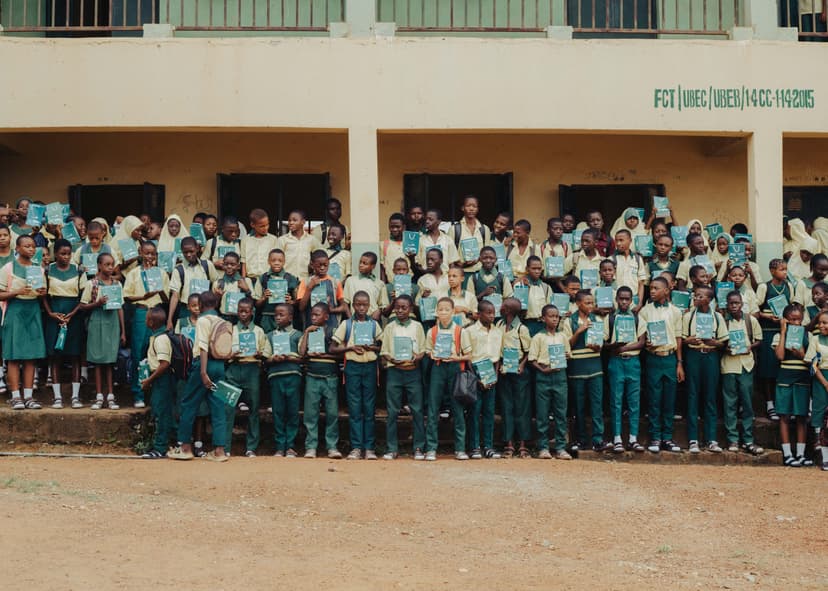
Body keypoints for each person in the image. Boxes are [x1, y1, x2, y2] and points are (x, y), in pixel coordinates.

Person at [169, 290, 230, 462]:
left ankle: (185, 447)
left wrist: (203, 372)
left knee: (189, 403)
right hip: (219, 365)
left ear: (201, 305)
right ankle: (219, 451)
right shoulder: (222, 321)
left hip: (204, 364)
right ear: (217, 304)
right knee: (218, 406)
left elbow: (202, 347)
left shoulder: (203, 320)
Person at [331, 291, 383, 460]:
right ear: (353, 305)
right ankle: (356, 447)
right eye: (358, 304)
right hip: (352, 367)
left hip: (369, 367)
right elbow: (333, 348)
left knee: (369, 408)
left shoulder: (374, 325)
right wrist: (350, 348)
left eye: (365, 305)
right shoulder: (347, 324)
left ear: (369, 306)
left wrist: (371, 347)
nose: (361, 308)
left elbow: (381, 347)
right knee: (354, 409)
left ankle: (369, 448)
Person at [0, 235, 47, 410]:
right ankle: (15, 396)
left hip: (33, 310)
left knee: (31, 356)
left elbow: (42, 293)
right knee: (14, 355)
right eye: (26, 246)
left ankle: (28, 396)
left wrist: (42, 292)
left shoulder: (39, 268)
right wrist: (17, 291)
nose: (31, 249)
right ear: (17, 249)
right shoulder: (8, 268)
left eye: (33, 246)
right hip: (15, 310)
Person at [638, 276, 684, 453]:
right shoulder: (645, 311)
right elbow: (641, 336)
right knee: (654, 400)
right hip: (653, 358)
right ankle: (655, 437)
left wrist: (679, 363)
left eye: (657, 288)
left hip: (670, 357)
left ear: (667, 290)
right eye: (651, 288)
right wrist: (647, 343)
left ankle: (667, 437)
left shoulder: (675, 311)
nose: (652, 290)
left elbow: (679, 338)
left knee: (669, 400)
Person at [424, 297, 472, 461]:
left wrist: (456, 358)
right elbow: (427, 351)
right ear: (436, 312)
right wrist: (434, 354)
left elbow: (469, 354)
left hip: (455, 369)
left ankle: (460, 449)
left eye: (447, 309)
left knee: (457, 408)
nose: (443, 312)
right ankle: (431, 448)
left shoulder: (460, 331)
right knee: (433, 408)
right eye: (440, 309)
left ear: (453, 312)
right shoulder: (432, 331)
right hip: (438, 368)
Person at [123, 240, 169, 408]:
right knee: (138, 352)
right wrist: (143, 296)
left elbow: (167, 299)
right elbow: (126, 296)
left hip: (157, 312)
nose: (149, 256)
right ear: (141, 253)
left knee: (158, 352)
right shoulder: (134, 273)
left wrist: (159, 290)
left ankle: (156, 393)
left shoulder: (161, 273)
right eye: (147, 253)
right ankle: (138, 392)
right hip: (142, 312)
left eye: (153, 254)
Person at [682, 286, 728, 453]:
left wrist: (713, 342)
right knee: (693, 395)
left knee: (710, 397)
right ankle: (693, 439)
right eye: (695, 295)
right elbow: (682, 339)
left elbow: (723, 341)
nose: (696, 297)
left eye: (700, 296)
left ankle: (711, 439)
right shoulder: (688, 316)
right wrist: (690, 340)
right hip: (694, 356)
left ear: (709, 300)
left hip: (710, 356)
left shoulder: (717, 317)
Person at [380, 295, 426, 460]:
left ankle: (419, 447)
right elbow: (384, 351)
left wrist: (416, 357)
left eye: (404, 307)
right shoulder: (390, 327)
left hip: (412, 372)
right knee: (392, 411)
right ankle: (392, 448)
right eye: (397, 307)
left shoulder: (417, 327)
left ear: (410, 309)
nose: (400, 310)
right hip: (395, 372)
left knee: (417, 410)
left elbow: (423, 350)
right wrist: (391, 358)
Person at [563, 289, 610, 452]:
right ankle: (581, 439)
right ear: (578, 304)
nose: (591, 306)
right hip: (577, 368)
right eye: (587, 303)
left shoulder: (597, 319)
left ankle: (598, 439)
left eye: (592, 302)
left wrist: (597, 346)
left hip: (595, 367)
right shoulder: (569, 321)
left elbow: (602, 342)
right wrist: (580, 331)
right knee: (579, 406)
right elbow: (567, 344)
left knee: (597, 405)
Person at [42, 239, 85, 409]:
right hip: (54, 314)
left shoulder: (78, 270)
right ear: (56, 254)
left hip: (73, 315)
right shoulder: (48, 270)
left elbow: (83, 296)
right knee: (55, 356)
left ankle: (75, 396)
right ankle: (57, 397)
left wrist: (72, 314)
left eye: (68, 254)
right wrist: (51, 313)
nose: (66, 257)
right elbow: (42, 295)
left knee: (75, 355)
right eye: (62, 253)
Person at [79, 252, 126, 411]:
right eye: (107, 264)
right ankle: (99, 396)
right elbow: (83, 306)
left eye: (112, 264)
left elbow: (120, 307)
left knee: (110, 360)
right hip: (97, 322)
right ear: (99, 266)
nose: (110, 267)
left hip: (112, 323)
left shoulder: (117, 284)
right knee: (98, 361)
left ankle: (111, 396)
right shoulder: (92, 284)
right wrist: (97, 303)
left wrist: (123, 331)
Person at [225, 298, 270, 457]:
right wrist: (230, 355)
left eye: (246, 311)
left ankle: (251, 447)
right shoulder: (230, 329)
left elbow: (266, 352)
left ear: (252, 312)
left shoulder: (258, 331)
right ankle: (225, 447)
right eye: (240, 311)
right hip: (233, 369)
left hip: (252, 369)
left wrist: (260, 354)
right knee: (227, 407)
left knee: (254, 409)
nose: (243, 314)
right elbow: (223, 351)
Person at [721, 291, 764, 455]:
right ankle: (732, 439)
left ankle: (748, 440)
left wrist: (749, 348)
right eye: (731, 303)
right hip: (729, 366)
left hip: (746, 365)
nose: (734, 306)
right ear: (726, 304)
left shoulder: (750, 320)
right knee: (729, 403)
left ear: (741, 304)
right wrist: (726, 348)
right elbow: (719, 342)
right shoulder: (723, 321)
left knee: (747, 403)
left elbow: (759, 340)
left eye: (736, 303)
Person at [299, 302, 343, 459]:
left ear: (326, 316)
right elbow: (302, 353)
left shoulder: (334, 331)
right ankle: (311, 447)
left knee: (332, 414)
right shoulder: (310, 331)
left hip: (330, 377)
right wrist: (306, 333)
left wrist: (323, 355)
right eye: (312, 315)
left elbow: (340, 354)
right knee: (310, 415)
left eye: (317, 315)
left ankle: (332, 446)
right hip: (312, 376)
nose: (313, 317)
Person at [528, 304, 572, 460]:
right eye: (551, 316)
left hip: (560, 376)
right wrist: (542, 370)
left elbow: (568, 354)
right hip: (543, 376)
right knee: (542, 414)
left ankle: (560, 448)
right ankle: (543, 448)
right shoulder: (538, 337)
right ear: (543, 318)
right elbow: (532, 359)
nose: (554, 319)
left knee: (561, 413)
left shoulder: (563, 336)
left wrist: (565, 357)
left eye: (557, 316)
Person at [605, 286, 645, 453]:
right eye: (621, 298)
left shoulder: (637, 318)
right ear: (616, 299)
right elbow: (604, 343)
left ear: (632, 301)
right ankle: (617, 438)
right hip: (616, 362)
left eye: (627, 299)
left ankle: (633, 438)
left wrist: (623, 348)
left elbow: (642, 342)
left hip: (633, 361)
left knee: (634, 401)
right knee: (616, 400)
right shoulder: (610, 318)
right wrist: (615, 346)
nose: (624, 302)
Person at [755, 259, 796, 422]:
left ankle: (782, 404)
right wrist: (767, 316)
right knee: (767, 369)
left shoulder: (789, 287)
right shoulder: (765, 287)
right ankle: (769, 404)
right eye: (781, 269)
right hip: (767, 331)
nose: (785, 272)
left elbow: (792, 307)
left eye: (786, 269)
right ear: (772, 271)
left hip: (783, 332)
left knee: (781, 368)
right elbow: (756, 310)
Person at [774, 303, 813, 467]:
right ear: (785, 320)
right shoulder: (778, 335)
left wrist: (801, 353)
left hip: (802, 380)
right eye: (792, 320)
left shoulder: (808, 335)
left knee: (801, 417)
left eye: (799, 320)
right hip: (784, 379)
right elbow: (780, 356)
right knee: (784, 416)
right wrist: (783, 332)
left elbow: (810, 360)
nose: (796, 323)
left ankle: (801, 454)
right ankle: (788, 454)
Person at [465, 299, 503, 460]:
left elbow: (497, 357)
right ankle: (474, 447)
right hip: (476, 373)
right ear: (479, 314)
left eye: (494, 312)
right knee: (474, 411)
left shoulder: (497, 332)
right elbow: (467, 358)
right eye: (488, 313)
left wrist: (495, 376)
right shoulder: (470, 331)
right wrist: (476, 379)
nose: (492, 316)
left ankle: (488, 446)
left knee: (489, 411)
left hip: (491, 372)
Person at [266, 303, 303, 457]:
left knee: (292, 412)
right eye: (276, 315)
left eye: (282, 315)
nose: (278, 318)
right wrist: (273, 358)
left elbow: (302, 356)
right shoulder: (270, 335)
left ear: (290, 317)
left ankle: (291, 446)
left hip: (293, 376)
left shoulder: (297, 335)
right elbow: (266, 357)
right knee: (278, 412)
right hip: (276, 376)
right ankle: (280, 446)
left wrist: (290, 357)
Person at [497, 297, 532, 458]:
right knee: (506, 406)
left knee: (522, 407)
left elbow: (528, 351)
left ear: (509, 310)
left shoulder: (521, 329)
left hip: (519, 371)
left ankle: (523, 444)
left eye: (503, 306)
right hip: (504, 369)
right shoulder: (499, 325)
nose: (500, 307)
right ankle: (509, 443)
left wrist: (522, 365)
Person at [139, 306, 176, 459]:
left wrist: (149, 379)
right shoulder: (155, 337)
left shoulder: (161, 339)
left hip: (162, 379)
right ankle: (159, 443)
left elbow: (164, 363)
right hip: (158, 379)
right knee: (158, 410)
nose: (145, 321)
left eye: (147, 318)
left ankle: (160, 447)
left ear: (152, 322)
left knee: (162, 413)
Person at [167, 237, 218, 330]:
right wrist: (169, 319)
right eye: (185, 252)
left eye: (191, 251)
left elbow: (216, 283)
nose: (189, 255)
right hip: (186, 310)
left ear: (197, 248)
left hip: (205, 309)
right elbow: (175, 295)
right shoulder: (179, 270)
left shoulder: (207, 265)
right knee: (186, 339)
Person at [296, 250, 347, 329]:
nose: (322, 268)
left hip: (331, 325)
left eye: (325, 265)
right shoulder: (305, 282)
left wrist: (332, 310)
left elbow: (344, 306)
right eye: (319, 265)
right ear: (312, 265)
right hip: (311, 326)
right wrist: (309, 288)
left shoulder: (335, 283)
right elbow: (301, 307)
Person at [252, 248, 299, 333]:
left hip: (285, 320)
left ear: (284, 262)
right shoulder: (262, 278)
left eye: (280, 260)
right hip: (267, 318)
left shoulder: (291, 278)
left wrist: (290, 301)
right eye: (273, 260)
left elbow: (297, 302)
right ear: (268, 261)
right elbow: (256, 304)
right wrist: (264, 298)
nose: (276, 263)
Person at [804, 310, 828, 470]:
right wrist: (825, 383)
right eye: (820, 323)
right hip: (821, 379)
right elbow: (812, 364)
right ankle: (824, 458)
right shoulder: (815, 339)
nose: (822, 326)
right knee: (819, 414)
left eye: (825, 323)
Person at [452, 195, 491, 277]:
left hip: (480, 273)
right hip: (462, 273)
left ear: (478, 209)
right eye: (468, 206)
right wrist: (461, 264)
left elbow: (487, 252)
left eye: (474, 206)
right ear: (463, 208)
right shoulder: (455, 229)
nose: (471, 209)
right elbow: (450, 255)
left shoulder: (484, 229)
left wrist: (478, 259)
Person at [279, 209, 322, 283]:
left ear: (303, 222)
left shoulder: (311, 240)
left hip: (305, 281)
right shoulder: (282, 240)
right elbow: (276, 259)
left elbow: (321, 256)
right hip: (286, 281)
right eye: (289, 220)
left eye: (294, 220)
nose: (291, 223)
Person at [342, 252, 387, 321]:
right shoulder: (350, 280)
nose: (361, 265)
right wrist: (350, 319)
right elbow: (345, 303)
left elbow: (383, 305)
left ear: (373, 266)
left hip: (373, 320)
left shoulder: (380, 283)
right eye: (360, 262)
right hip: (355, 319)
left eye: (365, 263)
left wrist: (379, 311)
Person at [212, 251, 253, 322]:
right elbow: (214, 307)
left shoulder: (246, 281)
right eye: (226, 264)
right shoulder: (218, 283)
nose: (229, 266)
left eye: (232, 264)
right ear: (222, 265)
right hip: (224, 318)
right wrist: (218, 297)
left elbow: (253, 304)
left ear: (238, 266)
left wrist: (247, 290)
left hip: (241, 319)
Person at [612, 229, 647, 309]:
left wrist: (640, 302)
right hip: (617, 302)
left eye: (621, 240)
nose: (618, 243)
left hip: (633, 300)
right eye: (616, 241)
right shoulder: (611, 259)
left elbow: (641, 283)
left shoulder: (637, 259)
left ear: (630, 240)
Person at [516, 256, 550, 336]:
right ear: (527, 269)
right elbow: (519, 307)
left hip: (543, 324)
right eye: (534, 268)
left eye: (539, 268)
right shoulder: (519, 285)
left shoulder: (546, 287)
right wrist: (526, 289)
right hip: (527, 323)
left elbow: (549, 307)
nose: (537, 271)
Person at [242, 208, 280, 281]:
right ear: (252, 225)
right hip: (250, 279)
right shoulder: (245, 240)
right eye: (262, 226)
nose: (266, 228)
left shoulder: (273, 240)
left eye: (267, 224)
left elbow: (276, 260)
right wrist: (244, 279)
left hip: (268, 279)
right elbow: (244, 262)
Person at [416, 209, 458, 273]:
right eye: (426, 219)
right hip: (426, 278)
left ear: (439, 221)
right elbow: (417, 263)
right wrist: (425, 272)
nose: (427, 221)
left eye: (430, 219)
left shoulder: (448, 240)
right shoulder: (420, 240)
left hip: (445, 278)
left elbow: (452, 263)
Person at [381, 213, 409, 282]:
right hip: (391, 283)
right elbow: (382, 268)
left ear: (404, 227)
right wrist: (384, 284)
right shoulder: (383, 244)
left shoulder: (410, 244)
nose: (394, 229)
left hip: (409, 283)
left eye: (397, 226)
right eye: (392, 227)